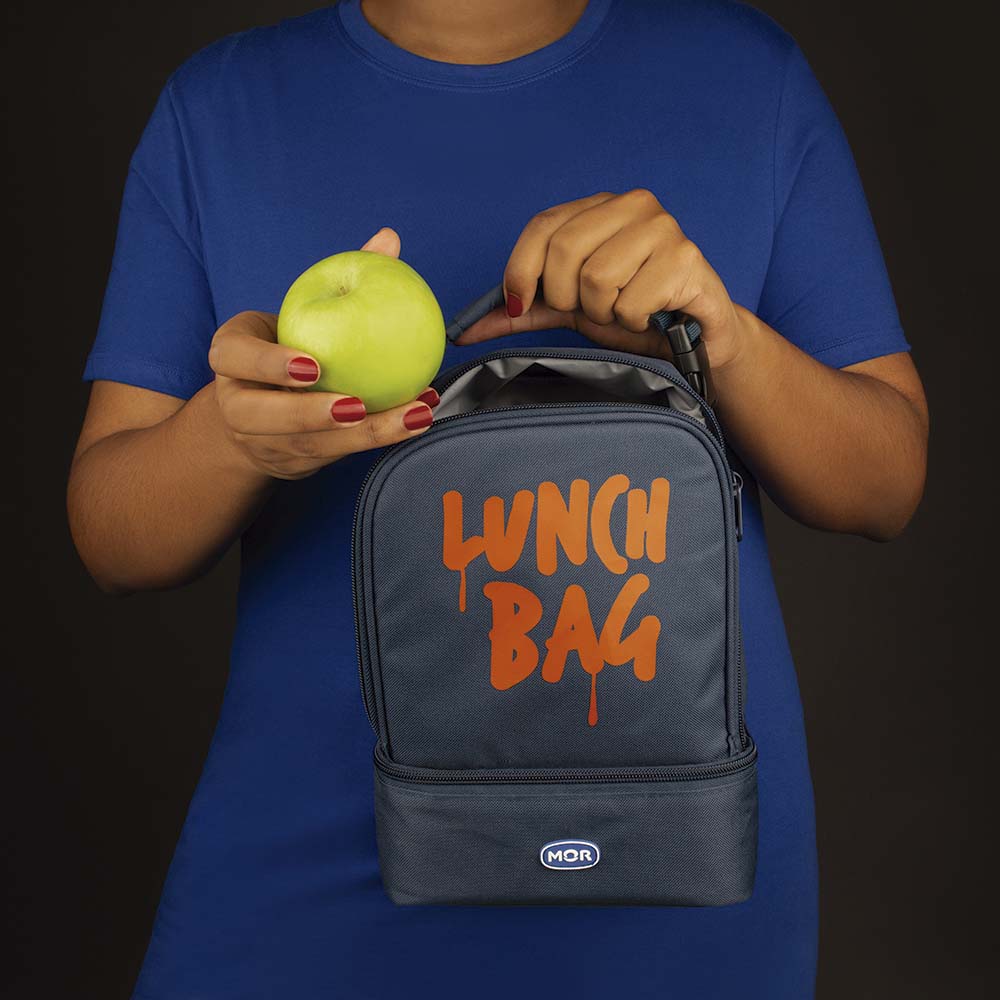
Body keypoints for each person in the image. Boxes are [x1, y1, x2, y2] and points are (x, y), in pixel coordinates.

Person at [68, 1, 928, 997]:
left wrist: (722, 342)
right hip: (308, 885)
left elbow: (885, 483)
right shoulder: (220, 107)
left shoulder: (748, 79)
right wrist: (231, 436)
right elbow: (113, 540)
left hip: (675, 880)